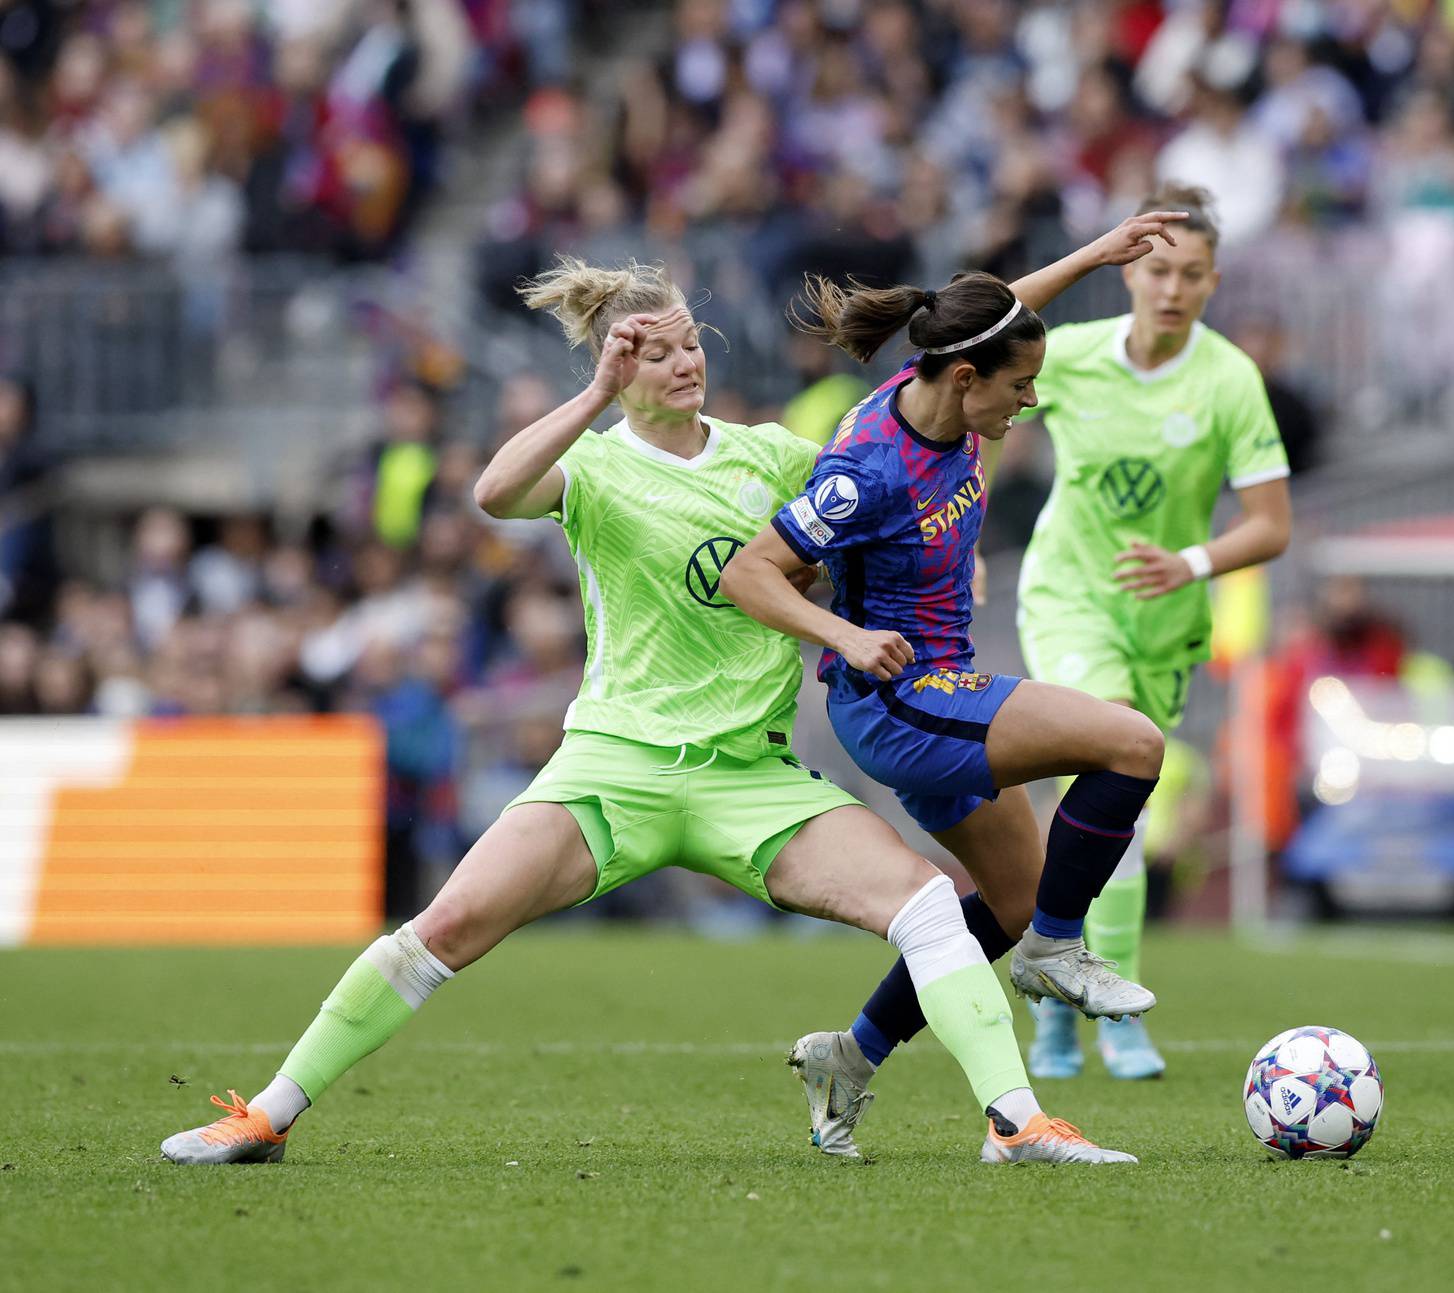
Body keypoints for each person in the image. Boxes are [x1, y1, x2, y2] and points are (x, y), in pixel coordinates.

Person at [160, 256, 1133, 1169]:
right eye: (652, 351)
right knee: (445, 925)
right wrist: (591, 397)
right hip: (613, 768)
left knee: (930, 908)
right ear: (613, 366)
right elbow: (494, 491)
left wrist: (1073, 272)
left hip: (748, 778)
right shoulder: (592, 469)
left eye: (689, 344)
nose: (682, 363)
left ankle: (1016, 1121)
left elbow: (930, 385)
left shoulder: (777, 457)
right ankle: (268, 1115)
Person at [721, 211, 1185, 1155]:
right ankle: (1058, 952)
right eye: (1022, 389)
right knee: (1131, 743)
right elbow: (748, 572)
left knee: (1008, 902)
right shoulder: (868, 470)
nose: (1030, 404)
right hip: (899, 702)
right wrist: (844, 633)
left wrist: (1095, 255)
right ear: (967, 380)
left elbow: (1001, 316)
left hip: (943, 688)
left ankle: (848, 1056)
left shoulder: (937, 377)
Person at [1012, 185, 1291, 1080]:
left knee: (1118, 812)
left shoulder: (1229, 379)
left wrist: (1193, 562)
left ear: (1213, 283)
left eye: (1192, 275)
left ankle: (1057, 1010)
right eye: (1158, 268)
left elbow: (1270, 523)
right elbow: (980, 332)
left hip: (1166, 617)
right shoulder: (1077, 355)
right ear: (1133, 271)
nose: (1173, 288)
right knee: (1115, 784)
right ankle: (1115, 1011)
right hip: (1070, 598)